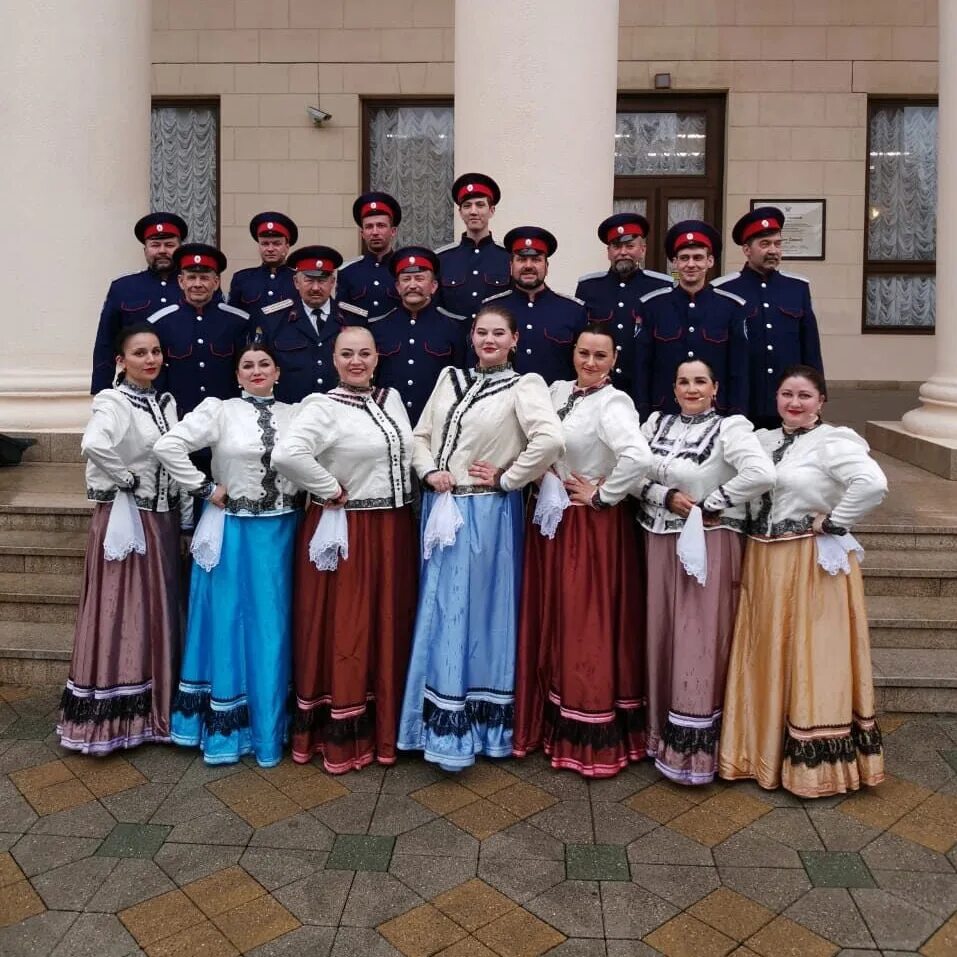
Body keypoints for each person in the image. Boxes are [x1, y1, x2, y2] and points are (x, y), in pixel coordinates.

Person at [397, 303, 564, 771]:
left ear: (515, 341)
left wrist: (508, 478)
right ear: (471, 336)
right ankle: (434, 720)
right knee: (440, 606)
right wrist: (429, 471)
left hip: (488, 513)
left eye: (499, 333)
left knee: (479, 611)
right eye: (482, 332)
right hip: (441, 505)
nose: (489, 340)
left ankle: (477, 724)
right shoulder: (449, 378)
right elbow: (420, 436)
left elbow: (549, 440)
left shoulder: (524, 385)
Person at [719, 365, 887, 798]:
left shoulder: (832, 442)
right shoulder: (763, 440)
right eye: (787, 394)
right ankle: (759, 753)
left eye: (805, 396)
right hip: (762, 560)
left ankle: (813, 768)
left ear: (821, 402)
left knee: (810, 654)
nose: (794, 403)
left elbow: (872, 482)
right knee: (766, 650)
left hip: (808, 561)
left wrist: (836, 522)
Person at [271, 327, 416, 773]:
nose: (357, 361)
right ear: (333, 359)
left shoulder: (390, 399)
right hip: (347, 527)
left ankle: (386, 729)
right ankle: (342, 728)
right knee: (347, 624)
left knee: (387, 622)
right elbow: (287, 454)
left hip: (392, 527)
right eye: (348, 354)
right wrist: (328, 486)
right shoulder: (322, 405)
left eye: (365, 354)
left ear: (377, 358)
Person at [153, 341, 301, 768]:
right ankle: (231, 731)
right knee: (232, 622)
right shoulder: (219, 410)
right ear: (236, 375)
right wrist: (203, 487)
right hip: (234, 532)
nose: (257, 371)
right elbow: (168, 446)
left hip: (284, 532)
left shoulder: (297, 413)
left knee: (274, 627)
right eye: (247, 365)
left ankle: (272, 728)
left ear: (278, 372)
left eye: (265, 364)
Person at [513, 324, 652, 777]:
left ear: (614, 360)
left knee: (582, 621)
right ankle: (548, 719)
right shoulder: (556, 392)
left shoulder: (613, 402)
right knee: (552, 614)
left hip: (588, 527)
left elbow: (637, 458)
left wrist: (602, 494)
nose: (590, 363)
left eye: (600, 356)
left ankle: (588, 725)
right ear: (572, 353)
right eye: (584, 353)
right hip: (551, 520)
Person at [636, 359, 774, 785]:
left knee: (696, 641)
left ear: (715, 388)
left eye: (700, 382)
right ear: (673, 388)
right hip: (658, 540)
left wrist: (713, 502)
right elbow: (631, 472)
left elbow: (761, 473)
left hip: (708, 546)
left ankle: (694, 753)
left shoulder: (731, 428)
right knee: (662, 637)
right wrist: (667, 495)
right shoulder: (656, 423)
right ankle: (660, 739)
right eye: (683, 381)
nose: (691, 388)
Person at [58, 325, 188, 754]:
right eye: (139, 353)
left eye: (155, 352)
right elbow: (94, 444)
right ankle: (115, 716)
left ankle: (153, 711)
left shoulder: (164, 403)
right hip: (127, 519)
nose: (149, 359)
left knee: (156, 608)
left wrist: (184, 518)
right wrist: (126, 479)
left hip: (162, 520)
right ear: (121, 361)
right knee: (123, 609)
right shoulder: (113, 401)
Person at [712, 207, 824, 429]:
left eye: (777, 244)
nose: (773, 250)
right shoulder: (724, 290)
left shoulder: (797, 288)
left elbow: (810, 349)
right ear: (746, 249)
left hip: (790, 403)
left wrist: (818, 396)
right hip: (744, 401)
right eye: (765, 244)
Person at [633, 221, 749, 421]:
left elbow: (739, 370)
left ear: (710, 261)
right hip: (664, 413)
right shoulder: (653, 306)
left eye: (698, 258)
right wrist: (643, 413)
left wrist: (736, 415)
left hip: (716, 414)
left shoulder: (731, 307)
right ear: (675, 263)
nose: (691, 264)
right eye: (684, 258)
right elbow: (642, 367)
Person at [575, 213, 673, 396]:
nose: (623, 252)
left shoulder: (661, 286)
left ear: (642, 249)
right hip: (599, 387)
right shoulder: (588, 287)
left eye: (630, 246)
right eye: (616, 246)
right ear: (608, 252)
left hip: (644, 386)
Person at [146, 244, 250, 416]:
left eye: (204, 278)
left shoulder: (237, 321)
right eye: (192, 277)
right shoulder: (160, 322)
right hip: (179, 416)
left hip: (225, 416)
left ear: (216, 282)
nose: (197, 284)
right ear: (181, 281)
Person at [255, 245, 368, 402]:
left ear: (332, 282)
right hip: (292, 413)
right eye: (309, 280)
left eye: (322, 280)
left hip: (342, 413)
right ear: (296, 282)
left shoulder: (354, 320)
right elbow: (260, 370)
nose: (316, 288)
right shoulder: (273, 320)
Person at [91, 213, 188, 393]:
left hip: (184, 385)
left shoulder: (195, 286)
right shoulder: (123, 287)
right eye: (155, 245)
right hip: (139, 388)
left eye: (169, 245)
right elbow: (106, 341)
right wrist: (101, 391)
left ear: (180, 248)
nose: (162, 250)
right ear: (145, 250)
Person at [368, 246, 467, 422]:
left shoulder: (454, 327)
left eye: (420, 279)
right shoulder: (378, 328)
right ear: (398, 287)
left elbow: (461, 382)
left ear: (434, 286)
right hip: (389, 422)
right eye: (406, 279)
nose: (412, 285)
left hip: (436, 423)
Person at [483, 227, 586, 384]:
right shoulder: (491, 309)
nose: (528, 265)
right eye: (521, 259)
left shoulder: (573, 311)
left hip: (554, 404)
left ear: (546, 266)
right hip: (503, 403)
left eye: (536, 259)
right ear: (511, 266)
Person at [436, 173, 510, 320]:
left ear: (492, 210)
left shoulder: (508, 257)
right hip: (454, 340)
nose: (473, 212)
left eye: (480, 205)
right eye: (467, 206)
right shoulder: (441, 259)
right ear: (460, 212)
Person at [336, 191, 402, 314]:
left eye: (381, 225)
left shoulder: (403, 270)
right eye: (369, 227)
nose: (375, 232)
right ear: (362, 234)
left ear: (393, 231)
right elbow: (341, 316)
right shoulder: (348, 272)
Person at [226, 212, 298, 309]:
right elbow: (233, 317)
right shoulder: (242, 279)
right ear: (259, 246)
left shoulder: (298, 280)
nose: (270, 249)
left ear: (287, 247)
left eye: (277, 244)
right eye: (265, 244)